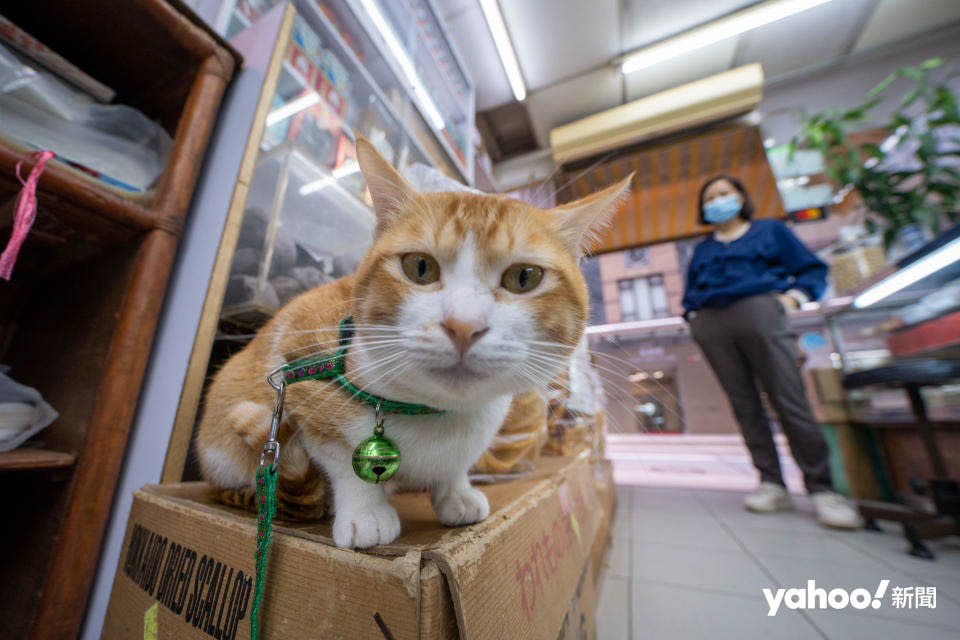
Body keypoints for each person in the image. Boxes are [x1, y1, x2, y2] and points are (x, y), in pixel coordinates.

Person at [682, 174, 862, 529]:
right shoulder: (703, 248)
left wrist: (791, 299)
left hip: (761, 312)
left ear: (741, 196)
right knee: (744, 405)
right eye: (710, 197)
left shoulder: (769, 231)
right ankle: (770, 482)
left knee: (788, 398)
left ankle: (822, 488)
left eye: (724, 193)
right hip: (712, 323)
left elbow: (812, 269)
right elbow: (690, 290)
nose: (716, 200)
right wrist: (693, 316)